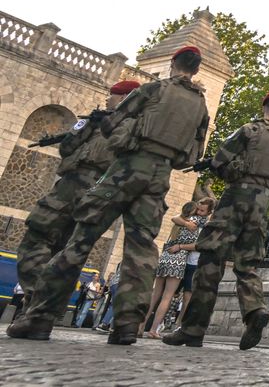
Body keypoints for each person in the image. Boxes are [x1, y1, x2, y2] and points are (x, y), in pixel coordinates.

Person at [9, 47, 209, 344]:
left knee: (80, 240)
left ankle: (40, 317)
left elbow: (114, 125)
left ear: (172, 63)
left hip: (125, 170)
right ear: (196, 69)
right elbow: (192, 156)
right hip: (158, 180)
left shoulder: (153, 89)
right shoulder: (201, 107)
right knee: (141, 251)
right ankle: (127, 325)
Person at [163, 89, 269, 351]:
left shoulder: (250, 130)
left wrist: (217, 167)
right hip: (263, 203)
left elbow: (221, 160)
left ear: (264, 107)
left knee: (210, 258)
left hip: (236, 197)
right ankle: (255, 310)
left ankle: (193, 329)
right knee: (247, 264)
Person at [16, 80, 140, 305]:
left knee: (37, 239)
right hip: (100, 194)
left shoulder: (124, 126)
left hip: (74, 187)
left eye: (112, 95)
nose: (107, 99)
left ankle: (37, 297)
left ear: (123, 98)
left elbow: (69, 149)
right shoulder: (133, 127)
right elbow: (67, 148)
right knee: (69, 254)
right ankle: (48, 307)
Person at [144, 201, 204, 337]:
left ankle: (140, 327)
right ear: (194, 212)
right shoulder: (194, 225)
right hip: (178, 260)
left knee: (154, 295)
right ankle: (153, 330)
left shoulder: (178, 223)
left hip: (165, 255)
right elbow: (198, 245)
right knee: (167, 297)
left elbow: (174, 217)